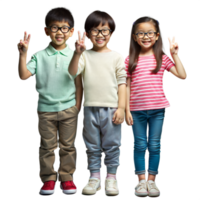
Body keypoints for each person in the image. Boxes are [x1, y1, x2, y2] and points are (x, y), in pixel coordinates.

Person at [15, 6, 83, 196]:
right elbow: (23, 76)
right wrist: (23, 54)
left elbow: (77, 78)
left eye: (64, 28)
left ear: (72, 32)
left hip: (69, 108)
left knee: (68, 146)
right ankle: (48, 179)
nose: (59, 32)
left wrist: (78, 106)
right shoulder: (39, 56)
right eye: (54, 27)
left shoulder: (76, 54)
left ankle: (67, 178)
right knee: (47, 146)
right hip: (45, 110)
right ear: (45, 30)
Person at [125, 15, 188, 198]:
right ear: (135, 37)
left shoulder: (162, 58)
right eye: (141, 33)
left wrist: (174, 53)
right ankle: (140, 181)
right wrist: (125, 109)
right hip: (135, 110)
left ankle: (152, 180)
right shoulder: (128, 59)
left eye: (150, 33)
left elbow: (182, 75)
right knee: (138, 144)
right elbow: (124, 87)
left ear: (158, 35)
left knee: (154, 144)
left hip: (158, 110)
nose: (146, 36)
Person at [68, 9, 126, 196]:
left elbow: (123, 84)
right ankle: (93, 177)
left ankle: (111, 178)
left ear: (112, 33)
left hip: (112, 109)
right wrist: (77, 53)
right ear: (87, 33)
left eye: (105, 31)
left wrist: (123, 108)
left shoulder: (118, 57)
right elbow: (72, 72)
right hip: (89, 109)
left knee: (113, 144)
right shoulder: (84, 55)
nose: (100, 35)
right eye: (95, 30)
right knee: (91, 145)